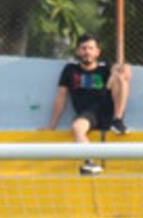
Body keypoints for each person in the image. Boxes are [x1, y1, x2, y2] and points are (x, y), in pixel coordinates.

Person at [45, 34, 132, 176]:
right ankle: (90, 163)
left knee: (120, 78)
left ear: (97, 52)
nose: (87, 52)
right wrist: (52, 126)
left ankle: (118, 121)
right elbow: (61, 97)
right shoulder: (70, 70)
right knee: (77, 127)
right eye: (83, 48)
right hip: (88, 114)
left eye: (91, 48)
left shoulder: (105, 68)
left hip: (107, 109)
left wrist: (123, 68)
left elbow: (125, 74)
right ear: (78, 52)